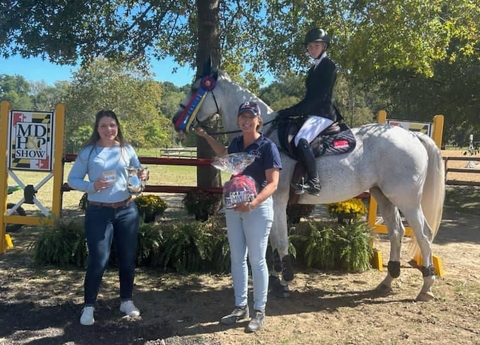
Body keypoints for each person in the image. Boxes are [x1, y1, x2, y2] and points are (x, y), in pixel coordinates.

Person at [194, 101, 282, 333]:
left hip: (257, 209)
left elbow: (273, 184)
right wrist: (205, 136)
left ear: (258, 120)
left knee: (257, 260)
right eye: (242, 116)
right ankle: (240, 306)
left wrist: (253, 203)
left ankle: (259, 309)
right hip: (234, 207)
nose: (246, 120)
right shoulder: (236, 142)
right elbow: (224, 154)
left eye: (250, 117)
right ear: (237, 120)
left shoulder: (267, 147)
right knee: (236, 258)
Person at [68, 110, 148, 326]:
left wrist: (142, 176)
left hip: (126, 211)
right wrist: (91, 186)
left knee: (127, 259)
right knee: (98, 260)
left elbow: (138, 172)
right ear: (97, 128)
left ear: (117, 127)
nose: (108, 130)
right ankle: (89, 307)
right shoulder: (88, 152)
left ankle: (126, 301)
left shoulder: (127, 149)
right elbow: (72, 179)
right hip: (98, 212)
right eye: (103, 126)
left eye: (112, 125)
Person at [277, 27, 339, 196]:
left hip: (323, 114)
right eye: (310, 46)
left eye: (316, 46)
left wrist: (292, 111)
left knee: (301, 139)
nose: (312, 49)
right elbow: (307, 98)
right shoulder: (313, 69)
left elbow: (318, 97)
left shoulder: (329, 66)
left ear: (324, 46)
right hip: (313, 113)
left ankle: (314, 181)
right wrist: (289, 111)